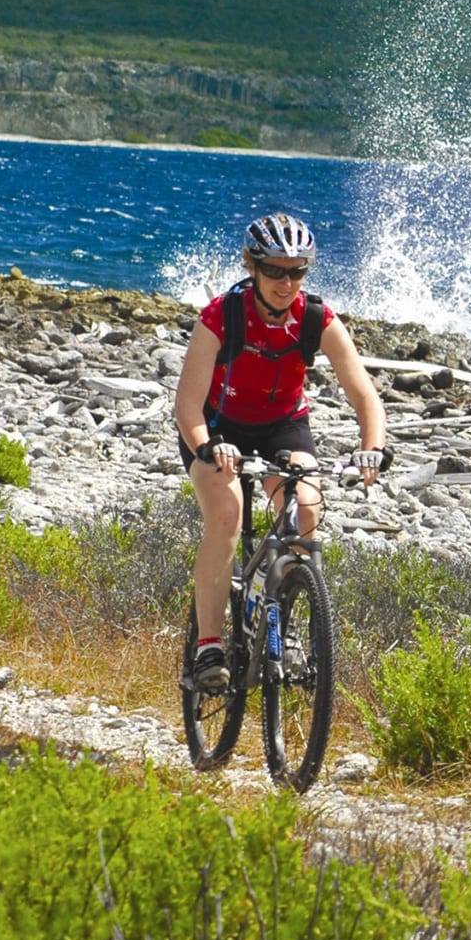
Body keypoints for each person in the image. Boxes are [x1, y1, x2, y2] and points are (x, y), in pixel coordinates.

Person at [173, 213, 389, 692]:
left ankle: (281, 620)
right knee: (226, 513)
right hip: (215, 427)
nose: (286, 282)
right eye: (274, 270)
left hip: (282, 427)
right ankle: (209, 643)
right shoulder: (220, 316)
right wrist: (208, 446)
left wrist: (372, 449)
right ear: (252, 266)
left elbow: (364, 395)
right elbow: (186, 404)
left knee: (305, 508)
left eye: (297, 272)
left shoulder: (317, 319)